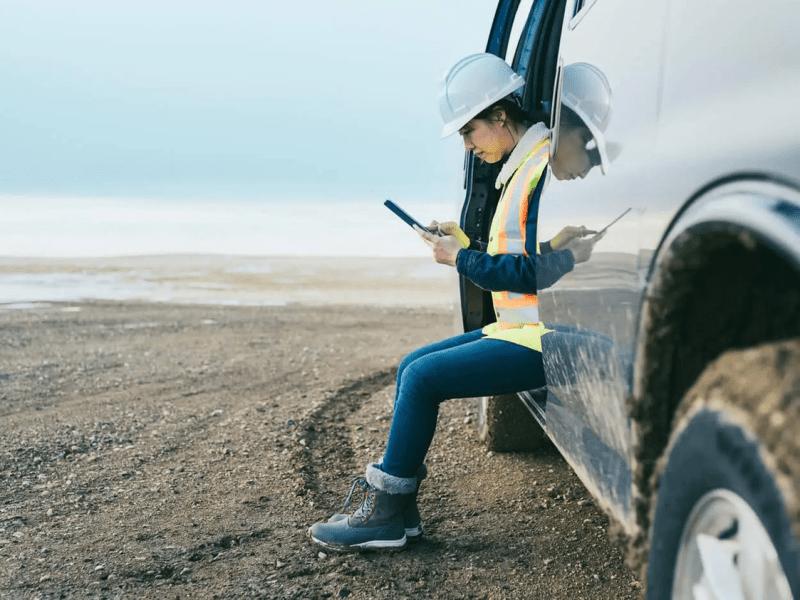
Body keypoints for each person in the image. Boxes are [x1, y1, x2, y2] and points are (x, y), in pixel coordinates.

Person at [309, 55, 613, 551]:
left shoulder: (542, 169)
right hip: (521, 327)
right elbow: (527, 255)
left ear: (500, 117)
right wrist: (466, 242)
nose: (469, 147)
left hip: (546, 335)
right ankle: (400, 515)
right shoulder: (525, 166)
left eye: (470, 132)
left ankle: (385, 512)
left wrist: (460, 259)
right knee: (412, 365)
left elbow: (539, 273)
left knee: (423, 379)